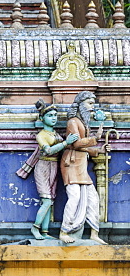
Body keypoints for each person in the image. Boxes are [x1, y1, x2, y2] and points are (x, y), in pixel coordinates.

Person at [16, 100, 80, 240]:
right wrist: (65, 143)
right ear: (42, 118)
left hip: (54, 167)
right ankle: (35, 228)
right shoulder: (42, 135)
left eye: (55, 115)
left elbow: (64, 148)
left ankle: (45, 232)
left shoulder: (56, 134)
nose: (53, 118)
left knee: (50, 200)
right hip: (43, 167)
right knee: (46, 200)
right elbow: (49, 150)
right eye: (50, 115)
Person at [59, 90, 106, 244]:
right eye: (90, 104)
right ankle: (64, 231)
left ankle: (94, 232)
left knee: (93, 199)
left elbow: (82, 148)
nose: (92, 107)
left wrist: (99, 150)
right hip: (71, 164)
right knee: (75, 198)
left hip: (81, 165)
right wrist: (95, 139)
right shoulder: (73, 121)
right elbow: (76, 144)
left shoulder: (83, 123)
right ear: (80, 104)